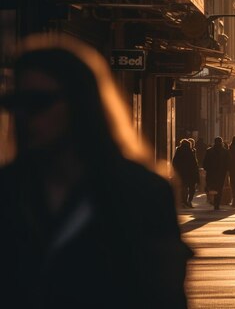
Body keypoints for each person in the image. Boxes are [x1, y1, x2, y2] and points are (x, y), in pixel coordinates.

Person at [0, 34, 190, 307]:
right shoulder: (9, 190)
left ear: (81, 105)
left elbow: (164, 295)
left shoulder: (141, 193)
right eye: (15, 103)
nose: (23, 116)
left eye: (38, 102)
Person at [203, 137, 230, 210]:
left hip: (211, 173)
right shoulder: (225, 151)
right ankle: (217, 203)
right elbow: (227, 163)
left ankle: (212, 201)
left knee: (211, 187)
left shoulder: (209, 151)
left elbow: (205, 162)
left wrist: (206, 168)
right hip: (221, 173)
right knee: (219, 188)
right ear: (221, 142)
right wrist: (227, 170)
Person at [172, 139, 200, 208]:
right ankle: (189, 201)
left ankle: (184, 201)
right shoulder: (191, 151)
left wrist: (176, 171)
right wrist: (196, 173)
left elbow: (174, 162)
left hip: (181, 173)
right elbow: (194, 163)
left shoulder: (178, 151)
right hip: (190, 173)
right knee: (191, 188)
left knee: (183, 187)